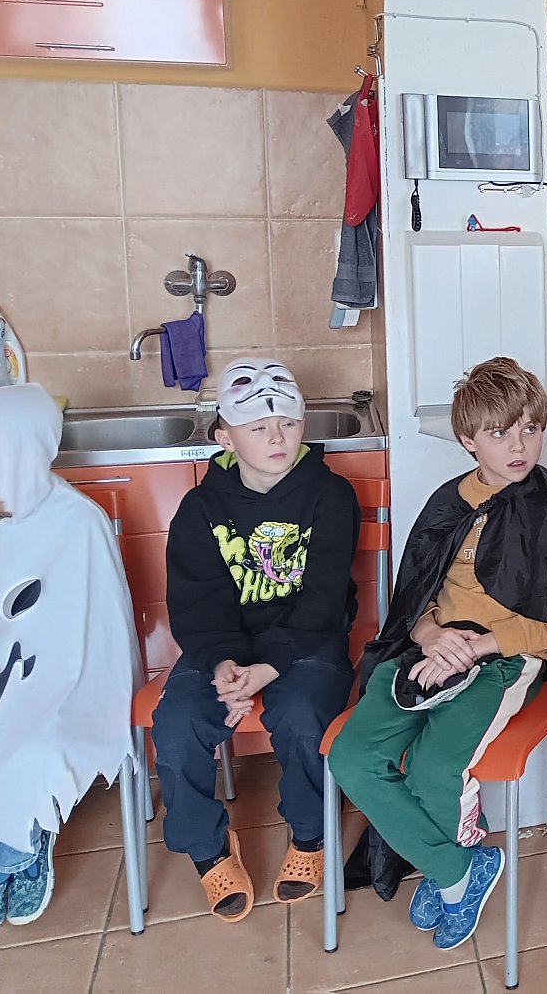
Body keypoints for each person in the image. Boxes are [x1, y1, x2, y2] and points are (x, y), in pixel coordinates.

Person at [329, 357, 547, 953]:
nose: (519, 446)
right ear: (468, 439)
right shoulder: (449, 503)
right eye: (499, 432)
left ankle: (449, 875)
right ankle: (459, 868)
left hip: (505, 659)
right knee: (352, 758)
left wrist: (478, 646)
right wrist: (430, 635)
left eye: (530, 429)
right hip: (434, 648)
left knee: (435, 768)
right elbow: (416, 593)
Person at [152, 358, 359, 922]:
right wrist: (222, 663)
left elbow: (323, 599)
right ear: (225, 436)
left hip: (309, 640)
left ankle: (311, 834)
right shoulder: (200, 508)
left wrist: (267, 668)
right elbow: (197, 603)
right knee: (175, 726)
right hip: (224, 644)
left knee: (302, 717)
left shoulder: (330, 496)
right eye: (258, 427)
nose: (277, 438)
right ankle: (208, 849)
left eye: (288, 424)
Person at [0, 384, 139, 927]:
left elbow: (102, 631)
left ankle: (19, 853)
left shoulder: (78, 521)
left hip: (69, 676)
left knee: (34, 743)